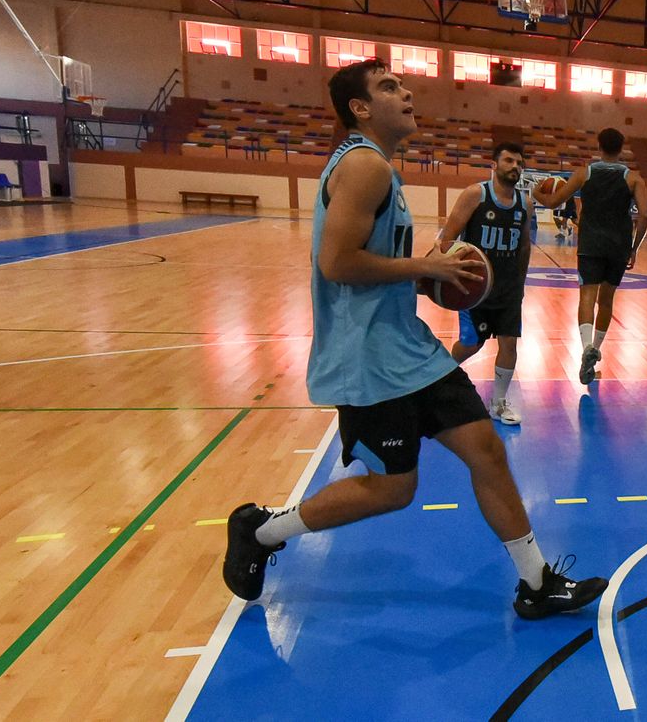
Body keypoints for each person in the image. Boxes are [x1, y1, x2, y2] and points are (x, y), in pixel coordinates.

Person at [223, 60, 606, 621]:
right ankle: (261, 531)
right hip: (367, 358)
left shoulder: (379, 167)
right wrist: (425, 267)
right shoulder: (364, 166)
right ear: (360, 108)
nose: (406, 92)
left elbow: (372, 263)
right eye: (388, 87)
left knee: (486, 450)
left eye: (401, 84)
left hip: (409, 347)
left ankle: (536, 583)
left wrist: (427, 278)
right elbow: (337, 263)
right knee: (392, 489)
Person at [535, 127, 647, 385]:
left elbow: (553, 202)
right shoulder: (633, 179)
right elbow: (644, 215)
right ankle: (595, 350)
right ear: (622, 149)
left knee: (587, 297)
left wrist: (535, 193)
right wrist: (634, 248)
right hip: (618, 246)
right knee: (606, 301)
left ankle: (586, 346)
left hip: (590, 245)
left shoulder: (583, 173)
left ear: (599, 147)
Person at [439, 142, 535, 425]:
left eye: (519, 163)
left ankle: (499, 403)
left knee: (509, 343)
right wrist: (449, 274)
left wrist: (520, 283)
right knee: (472, 344)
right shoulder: (476, 195)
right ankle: (437, 377)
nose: (515, 166)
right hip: (476, 288)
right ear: (494, 165)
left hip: (509, 288)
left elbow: (524, 246)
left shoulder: (525, 204)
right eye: (509, 161)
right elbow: (448, 238)